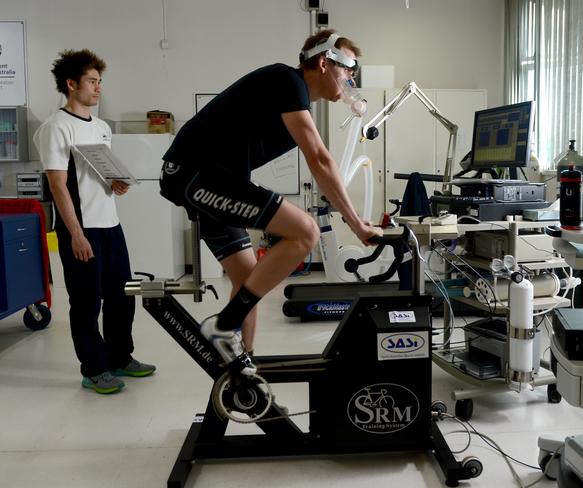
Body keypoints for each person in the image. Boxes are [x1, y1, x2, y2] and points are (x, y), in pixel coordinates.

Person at [159, 30, 380, 375]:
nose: (352, 78)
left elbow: (319, 159)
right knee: (305, 233)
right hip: (195, 176)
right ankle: (222, 327)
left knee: (251, 277)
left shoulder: (294, 95)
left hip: (213, 179)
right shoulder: (286, 80)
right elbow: (319, 159)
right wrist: (355, 223)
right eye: (349, 68)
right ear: (323, 62)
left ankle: (242, 368)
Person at [33, 49, 156, 394]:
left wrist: (114, 184)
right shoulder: (55, 128)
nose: (98, 88)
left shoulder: (101, 128)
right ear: (71, 84)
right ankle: (94, 368)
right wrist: (75, 234)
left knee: (122, 295)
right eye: (91, 81)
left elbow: (96, 176)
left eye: (99, 81)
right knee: (87, 301)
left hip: (110, 225)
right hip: (80, 229)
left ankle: (120, 357)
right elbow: (58, 185)